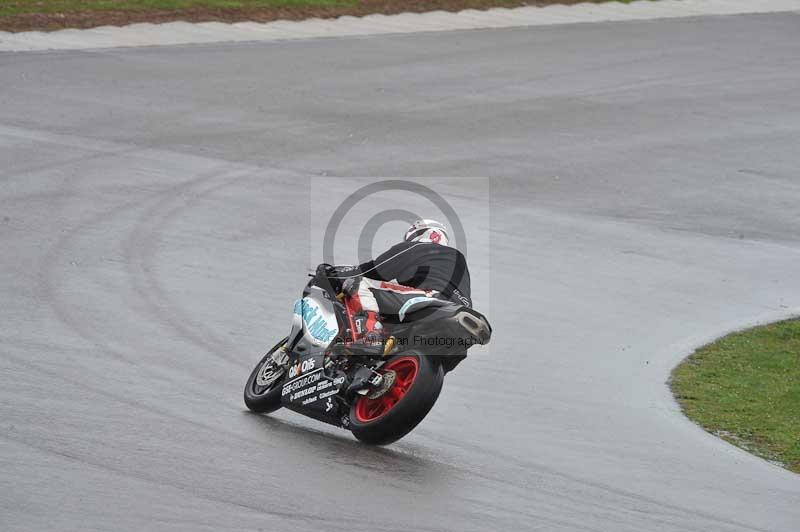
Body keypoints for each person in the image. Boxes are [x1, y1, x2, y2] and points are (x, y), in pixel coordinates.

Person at [325, 219, 472, 372]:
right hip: (458, 329)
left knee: (358, 284)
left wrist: (335, 274)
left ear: (418, 234)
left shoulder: (417, 247)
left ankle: (371, 337)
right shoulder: (458, 260)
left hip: (431, 299)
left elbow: (375, 269)